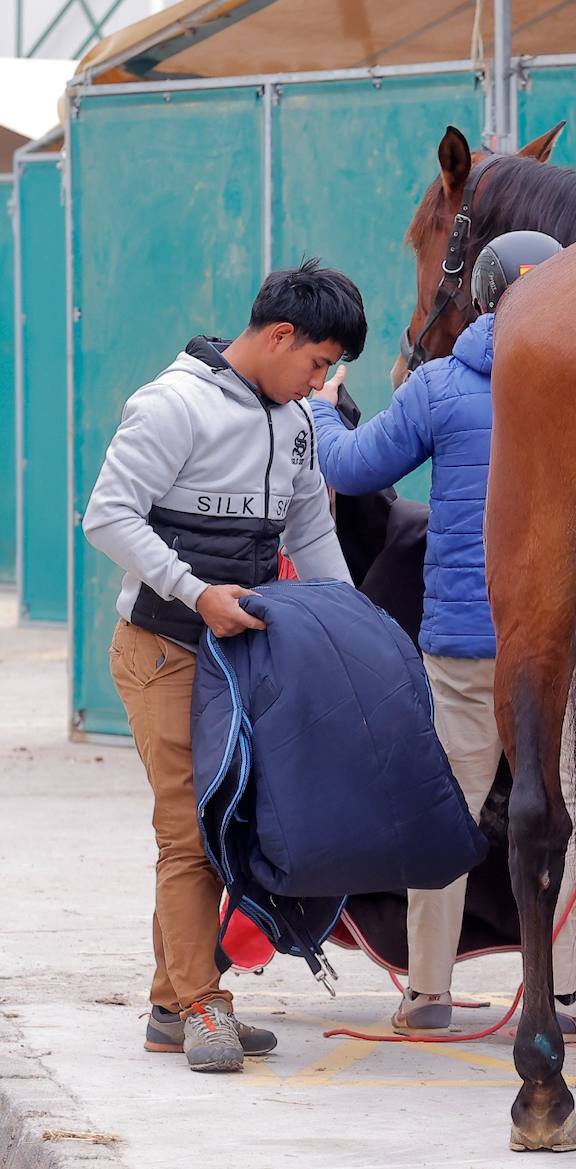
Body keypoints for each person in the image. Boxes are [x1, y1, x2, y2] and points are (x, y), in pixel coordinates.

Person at [83, 260, 366, 1072]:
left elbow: (310, 530)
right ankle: (204, 1004)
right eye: (317, 362)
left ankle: (171, 1005)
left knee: (226, 827)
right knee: (190, 828)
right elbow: (107, 515)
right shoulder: (172, 405)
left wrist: (353, 627)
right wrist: (196, 591)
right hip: (163, 647)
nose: (319, 382)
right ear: (280, 336)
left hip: (237, 656)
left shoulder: (297, 419)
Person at [310, 231, 576, 1036]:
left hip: (465, 644)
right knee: (570, 808)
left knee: (451, 810)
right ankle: (564, 993)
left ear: (481, 296)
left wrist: (321, 410)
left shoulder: (439, 384)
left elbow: (352, 467)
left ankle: (428, 992)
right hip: (565, 643)